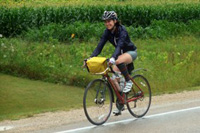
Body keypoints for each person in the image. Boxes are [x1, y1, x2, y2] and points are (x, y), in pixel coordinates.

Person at [87, 11, 137, 115]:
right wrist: (91, 58)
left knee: (117, 61)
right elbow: (99, 46)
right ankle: (121, 102)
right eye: (105, 21)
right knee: (113, 77)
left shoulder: (122, 30)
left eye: (109, 21)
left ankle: (129, 81)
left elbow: (119, 45)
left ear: (115, 21)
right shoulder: (107, 32)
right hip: (120, 55)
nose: (107, 23)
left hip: (130, 53)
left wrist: (113, 58)